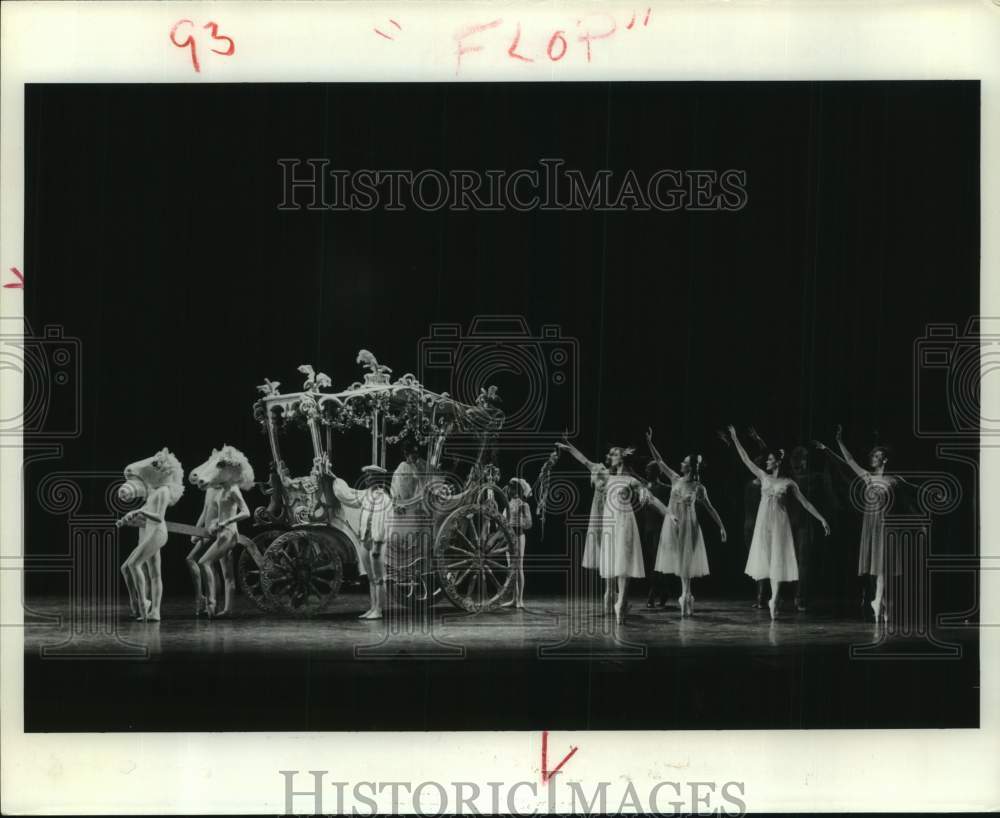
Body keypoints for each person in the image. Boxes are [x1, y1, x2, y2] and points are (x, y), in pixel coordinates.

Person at [728, 426, 830, 620]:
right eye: (767, 459)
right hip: (763, 525)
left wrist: (821, 518)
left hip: (780, 526)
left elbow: (805, 503)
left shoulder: (789, 483)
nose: (767, 461)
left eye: (770, 458)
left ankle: (774, 598)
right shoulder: (763, 477)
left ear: (777, 462)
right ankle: (769, 597)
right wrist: (735, 438)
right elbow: (745, 458)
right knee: (766, 560)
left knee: (777, 560)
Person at [816, 426, 902, 623]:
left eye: (877, 456)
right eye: (873, 455)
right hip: (871, 526)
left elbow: (903, 504)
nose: (873, 458)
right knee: (879, 568)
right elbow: (849, 461)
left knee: (884, 568)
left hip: (887, 525)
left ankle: (880, 602)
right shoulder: (867, 477)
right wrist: (838, 441)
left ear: (885, 460)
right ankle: (881, 602)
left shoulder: (893, 480)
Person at [555, 439, 645, 624]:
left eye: (614, 454)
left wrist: (642, 493)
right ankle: (613, 600)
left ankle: (618, 601)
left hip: (617, 517)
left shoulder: (623, 478)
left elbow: (639, 486)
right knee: (611, 558)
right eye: (610, 453)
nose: (610, 456)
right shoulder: (603, 471)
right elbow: (585, 461)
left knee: (619, 558)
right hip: (603, 516)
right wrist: (569, 448)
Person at [646, 428, 727, 616]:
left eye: (684, 462)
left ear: (689, 466)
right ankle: (686, 595)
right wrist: (650, 442)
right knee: (678, 558)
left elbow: (710, 508)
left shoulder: (699, 487)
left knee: (686, 559)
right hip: (673, 523)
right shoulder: (675, 479)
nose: (681, 463)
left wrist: (721, 526)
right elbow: (659, 461)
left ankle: (686, 595)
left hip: (689, 525)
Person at [334, 465, 392, 620]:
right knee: (370, 577)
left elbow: (387, 523)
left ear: (377, 479)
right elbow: (348, 498)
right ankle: (373, 607)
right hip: (365, 539)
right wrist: (335, 479)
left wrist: (379, 543)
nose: (367, 479)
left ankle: (379, 610)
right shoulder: (366, 496)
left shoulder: (385, 498)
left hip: (377, 541)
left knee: (379, 578)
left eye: (370, 476)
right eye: (366, 476)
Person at [640, 461, 671, 607]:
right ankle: (662, 590)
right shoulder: (645, 488)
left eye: (650, 470)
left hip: (660, 528)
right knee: (651, 561)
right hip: (647, 528)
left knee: (657, 561)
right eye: (646, 470)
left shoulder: (666, 489)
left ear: (658, 472)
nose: (647, 472)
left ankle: (654, 592)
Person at [502, 477, 533, 608]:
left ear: (518, 490)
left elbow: (529, 524)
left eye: (513, 488)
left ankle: (520, 600)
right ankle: (514, 599)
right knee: (511, 568)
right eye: (510, 488)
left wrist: (520, 521)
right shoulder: (507, 505)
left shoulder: (523, 505)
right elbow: (502, 522)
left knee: (519, 567)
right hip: (509, 537)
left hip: (519, 536)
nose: (510, 490)